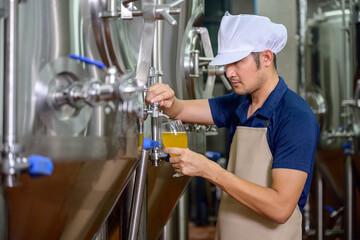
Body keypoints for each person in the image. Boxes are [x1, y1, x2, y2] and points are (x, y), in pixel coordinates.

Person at [146, 12, 319, 240]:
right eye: (227, 63)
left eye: (237, 62)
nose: (229, 73)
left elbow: (280, 208)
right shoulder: (239, 103)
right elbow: (179, 110)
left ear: (266, 58)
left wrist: (208, 170)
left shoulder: (295, 116)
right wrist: (168, 100)